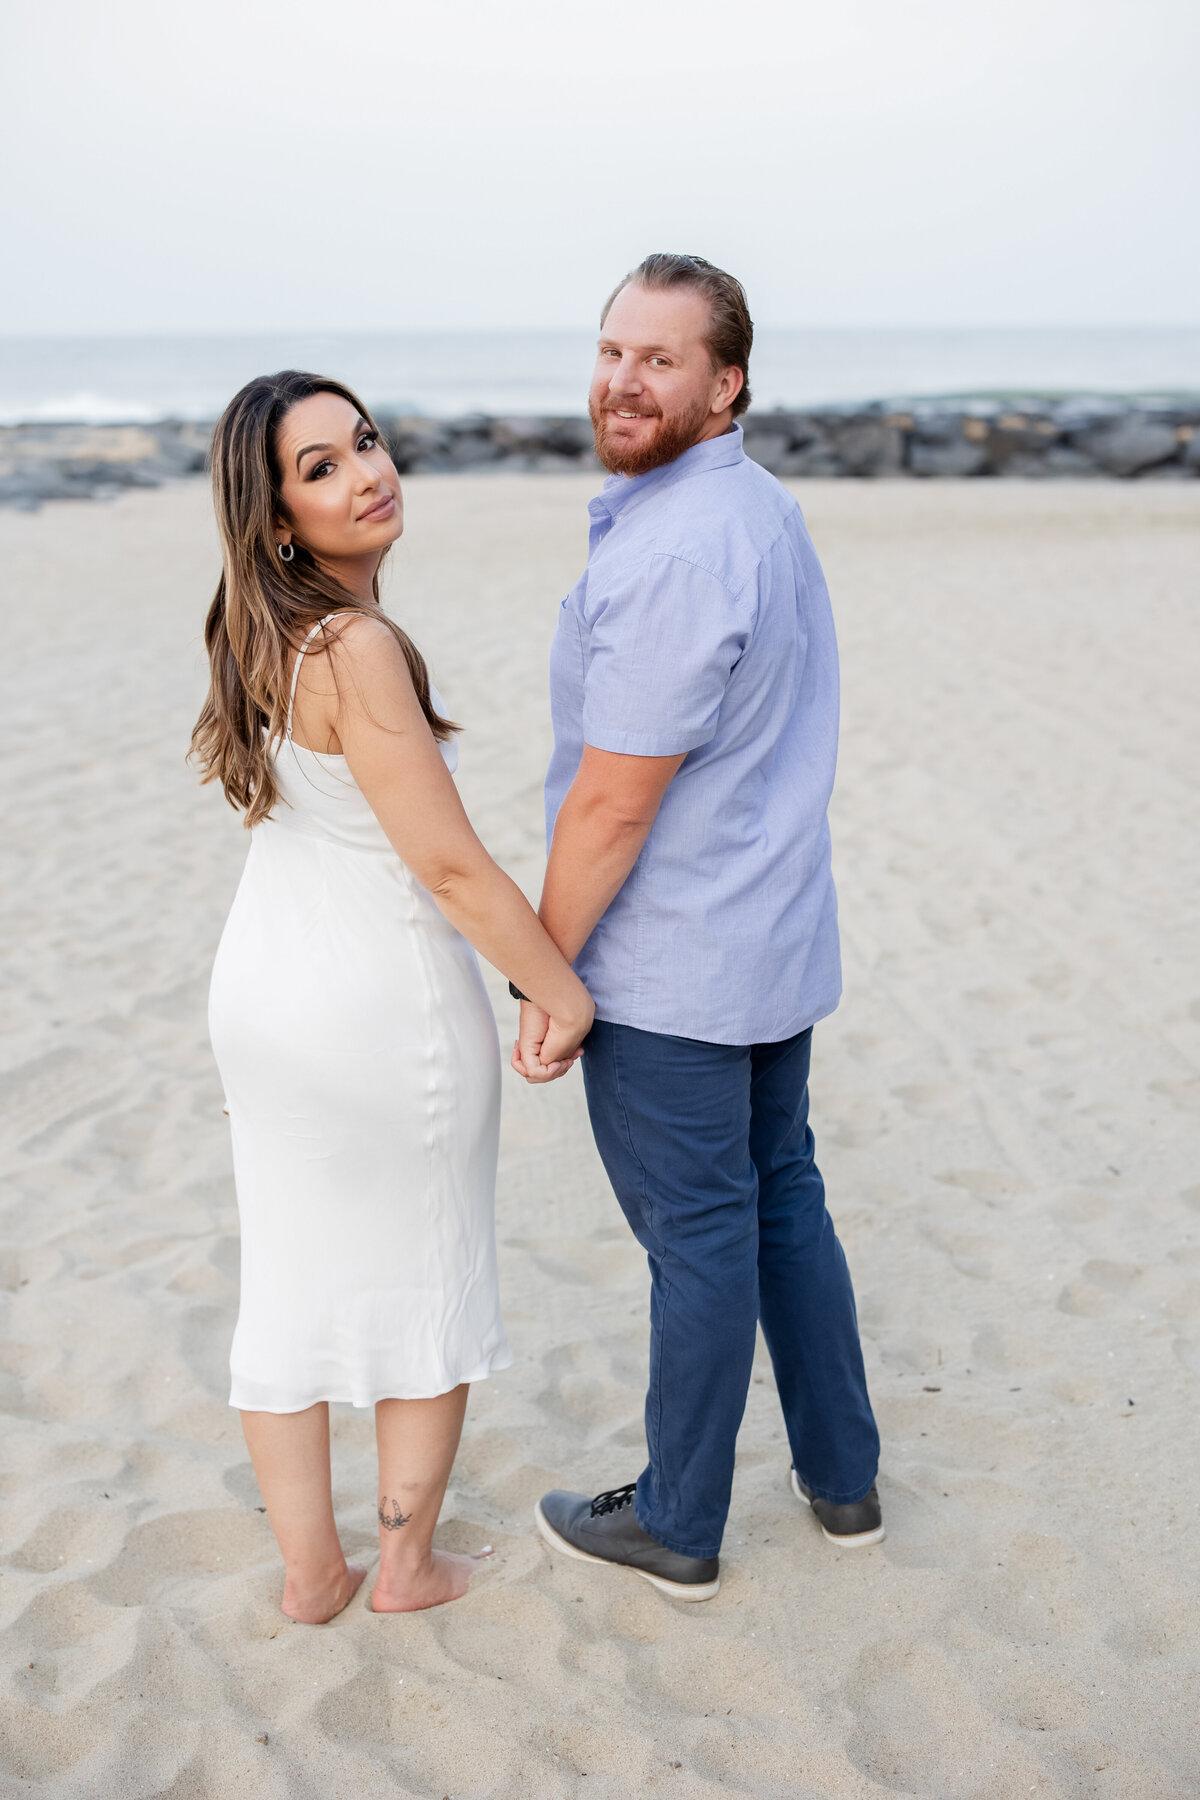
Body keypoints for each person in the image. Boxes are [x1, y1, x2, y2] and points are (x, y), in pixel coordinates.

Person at [192, 371, 593, 1623]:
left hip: (266, 997)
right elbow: (450, 864)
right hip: (376, 1008)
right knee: (431, 1269)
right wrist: (557, 988)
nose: (366, 472)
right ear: (276, 520)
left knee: (289, 1284)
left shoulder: (262, 634)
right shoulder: (358, 644)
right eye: (320, 467)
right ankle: (404, 1568)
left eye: (363, 442)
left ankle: (312, 1576)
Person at [515, 255, 882, 1602]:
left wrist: (541, 970)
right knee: (782, 1198)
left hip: (677, 960)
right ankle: (843, 1479)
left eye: (660, 360)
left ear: (726, 386)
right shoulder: (755, 510)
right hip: (768, 938)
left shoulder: (677, 544)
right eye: (612, 350)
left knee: (704, 1234)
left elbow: (613, 803)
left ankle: (677, 1520)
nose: (623, 380)